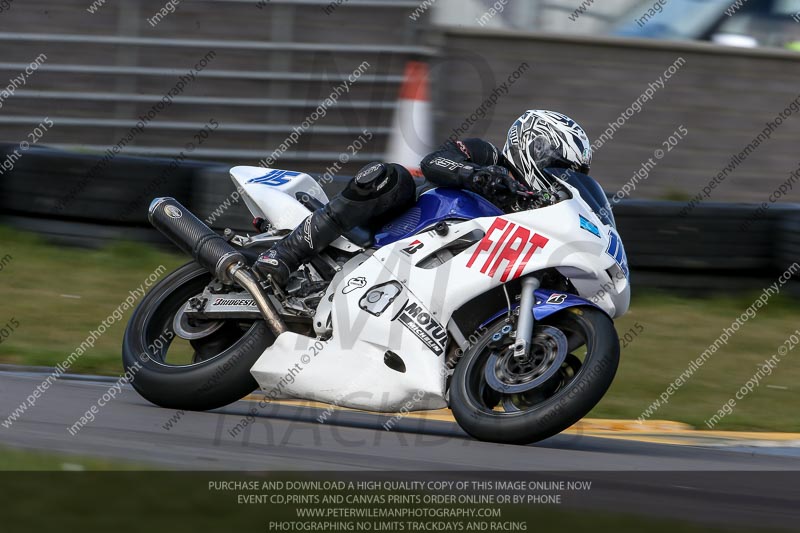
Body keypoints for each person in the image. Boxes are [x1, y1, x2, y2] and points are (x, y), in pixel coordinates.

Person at [255, 109, 593, 286]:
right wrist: (475, 174)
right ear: (533, 147)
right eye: (559, 167)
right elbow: (433, 162)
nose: (561, 177)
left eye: (570, 174)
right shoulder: (487, 155)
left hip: (441, 270)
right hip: (397, 226)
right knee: (390, 176)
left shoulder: (538, 209)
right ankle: (286, 252)